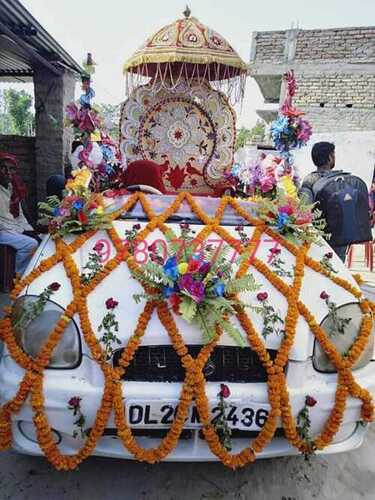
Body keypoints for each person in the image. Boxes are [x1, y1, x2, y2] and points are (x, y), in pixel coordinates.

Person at [300, 142, 371, 262]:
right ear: (329, 157)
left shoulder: (310, 180)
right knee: (338, 269)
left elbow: (304, 210)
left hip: (319, 238)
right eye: (333, 155)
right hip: (341, 237)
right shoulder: (343, 180)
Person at [0, 154, 38, 275]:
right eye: (3, 168)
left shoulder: (12, 187)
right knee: (31, 244)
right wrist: (18, 230)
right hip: (2, 230)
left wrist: (27, 229)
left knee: (41, 240)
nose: (7, 172)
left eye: (11, 168)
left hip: (10, 227)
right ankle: (20, 277)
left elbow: (19, 215)